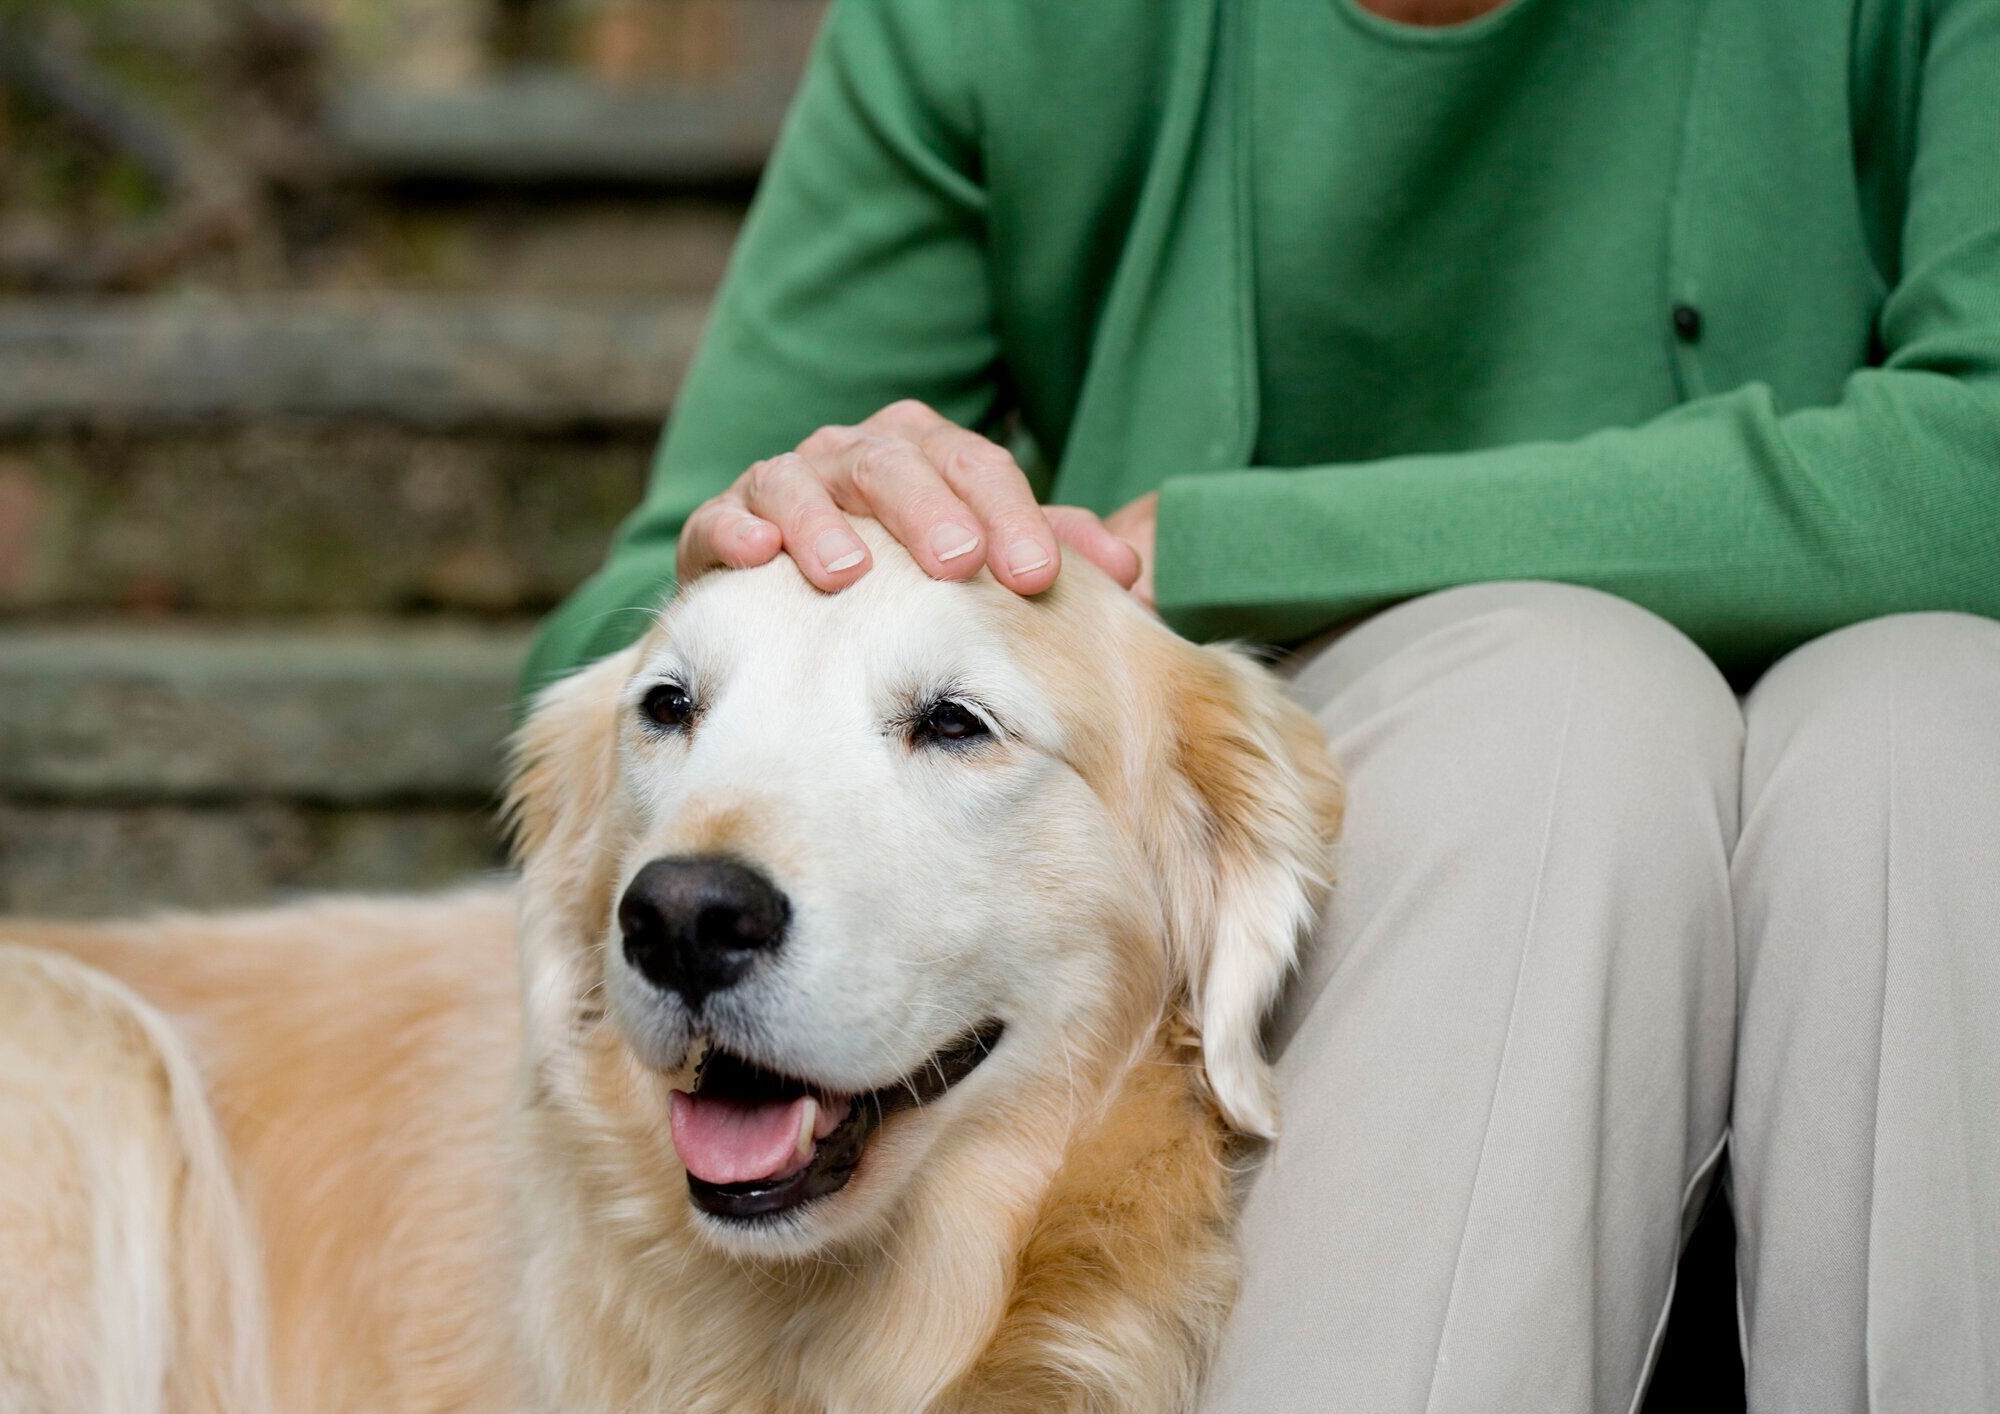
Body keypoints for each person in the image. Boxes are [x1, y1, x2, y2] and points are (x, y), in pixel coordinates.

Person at [522, 1, 2000, 1408]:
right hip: (1408, 845)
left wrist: (1212, 545)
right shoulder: (984, 24)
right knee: (1566, 718)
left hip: (1888, 860)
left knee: (1936, 720)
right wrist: (773, 528)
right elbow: (614, 638)